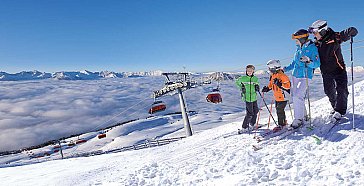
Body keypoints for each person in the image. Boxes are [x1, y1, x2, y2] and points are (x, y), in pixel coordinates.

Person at [308, 20, 358, 121]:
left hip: (339, 69)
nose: (313, 34)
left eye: (315, 32)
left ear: (322, 31)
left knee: (342, 90)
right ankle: (336, 106)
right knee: (329, 91)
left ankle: (340, 110)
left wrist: (351, 31)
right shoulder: (316, 44)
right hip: (326, 71)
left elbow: (347, 32)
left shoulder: (334, 37)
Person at [283, 29, 320, 128]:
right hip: (295, 75)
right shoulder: (298, 48)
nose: (295, 41)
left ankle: (298, 119)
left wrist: (308, 61)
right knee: (296, 96)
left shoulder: (312, 48)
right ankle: (303, 115)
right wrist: (285, 69)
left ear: (302, 39)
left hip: (306, 75)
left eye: (297, 39)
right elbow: (294, 62)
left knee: (297, 96)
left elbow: (317, 63)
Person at [262, 60, 291, 131]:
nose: (269, 70)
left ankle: (282, 124)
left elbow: (288, 86)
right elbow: (271, 84)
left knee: (279, 110)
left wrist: (280, 84)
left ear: (274, 68)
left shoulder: (282, 75)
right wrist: (267, 88)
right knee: (279, 110)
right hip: (277, 96)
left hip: (283, 96)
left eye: (269, 68)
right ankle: (283, 122)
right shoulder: (273, 75)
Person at [235, 64, 260, 133]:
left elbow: (257, 84)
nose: (249, 72)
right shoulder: (243, 78)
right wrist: (242, 87)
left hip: (254, 97)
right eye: (248, 70)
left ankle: (252, 123)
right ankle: (244, 127)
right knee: (250, 113)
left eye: (251, 70)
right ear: (246, 71)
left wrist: (257, 87)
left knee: (256, 111)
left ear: (253, 71)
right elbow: (237, 82)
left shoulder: (255, 78)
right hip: (247, 97)